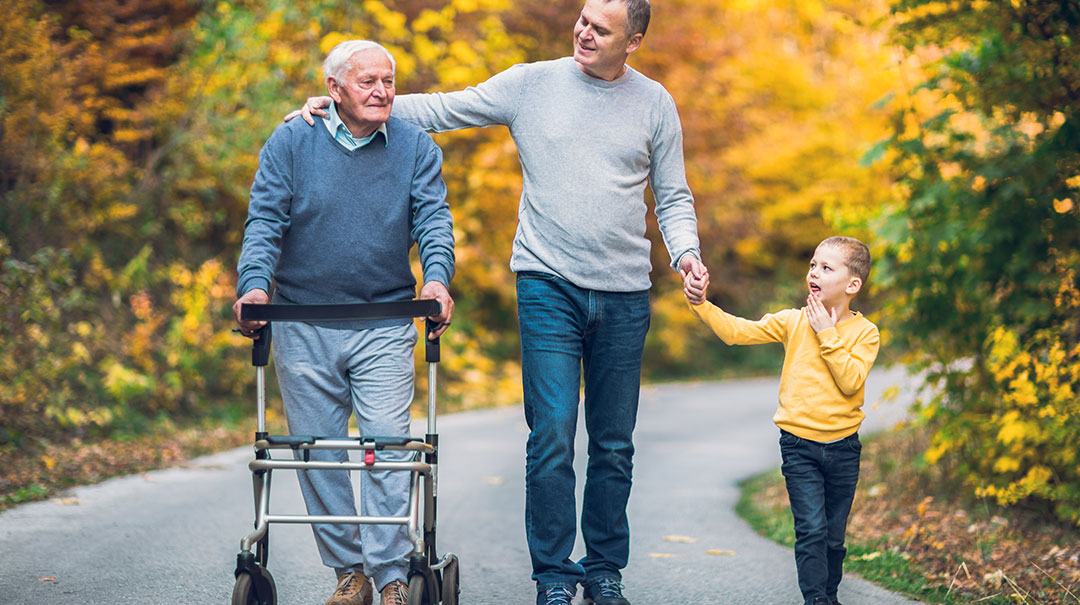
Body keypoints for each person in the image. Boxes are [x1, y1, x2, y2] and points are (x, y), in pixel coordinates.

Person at [286, 2, 705, 604]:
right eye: (583, 19)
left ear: (633, 41)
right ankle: (555, 576)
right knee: (553, 433)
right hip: (546, 282)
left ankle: (605, 570)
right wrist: (343, 104)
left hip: (625, 292)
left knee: (613, 442)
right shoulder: (532, 83)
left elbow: (672, 194)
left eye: (602, 28)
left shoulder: (654, 103)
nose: (584, 32)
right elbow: (441, 108)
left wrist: (686, 254)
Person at [233, 40, 455, 605]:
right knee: (319, 451)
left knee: (386, 447)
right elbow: (265, 219)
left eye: (389, 80)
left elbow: (433, 220)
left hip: (384, 318)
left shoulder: (414, 147)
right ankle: (349, 572)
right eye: (368, 82)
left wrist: (436, 278)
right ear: (334, 90)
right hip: (303, 320)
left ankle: (392, 577)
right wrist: (253, 287)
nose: (382, 91)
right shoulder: (291, 140)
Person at [683, 236, 880, 605]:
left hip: (843, 449)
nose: (814, 273)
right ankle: (815, 600)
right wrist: (701, 305)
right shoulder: (793, 321)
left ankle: (829, 595)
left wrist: (827, 334)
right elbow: (737, 332)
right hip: (798, 446)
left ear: (852, 284)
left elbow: (851, 380)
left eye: (826, 267)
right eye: (812, 265)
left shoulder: (866, 333)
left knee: (833, 537)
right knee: (810, 529)